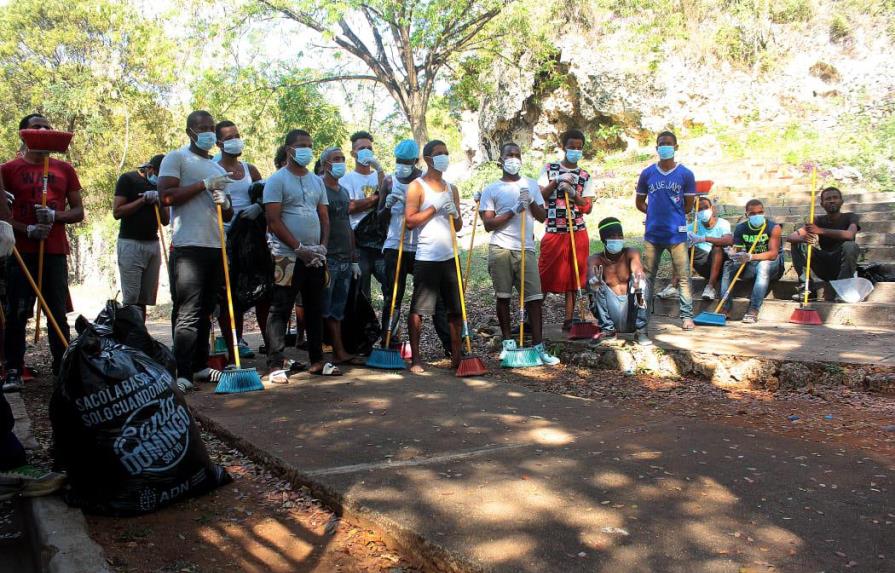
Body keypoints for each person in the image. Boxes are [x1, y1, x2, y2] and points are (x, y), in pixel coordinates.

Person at [0, 114, 85, 392]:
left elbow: (78, 211)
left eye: (48, 127)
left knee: (57, 312)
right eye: (37, 127)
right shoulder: (7, 170)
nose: (44, 131)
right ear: (24, 133)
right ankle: (12, 370)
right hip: (21, 252)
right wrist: (28, 229)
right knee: (17, 312)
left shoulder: (64, 169)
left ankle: (64, 368)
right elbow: (3, 216)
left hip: (54, 251)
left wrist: (54, 215)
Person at [157, 110, 235, 392]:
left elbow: (227, 215)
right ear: (190, 131)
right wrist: (202, 185)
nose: (208, 132)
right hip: (189, 246)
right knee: (188, 310)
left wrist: (224, 202)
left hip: (215, 245)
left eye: (211, 128)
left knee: (206, 309)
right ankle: (183, 370)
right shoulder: (176, 158)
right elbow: (166, 196)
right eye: (202, 128)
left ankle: (201, 365)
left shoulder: (216, 167)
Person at [263, 129, 336, 378]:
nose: (306, 149)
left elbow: (324, 216)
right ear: (289, 149)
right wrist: (298, 248)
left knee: (315, 307)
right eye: (301, 145)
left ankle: (317, 360)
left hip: (315, 256)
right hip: (287, 256)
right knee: (281, 307)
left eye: (309, 145)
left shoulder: (317, 181)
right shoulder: (277, 180)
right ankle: (275, 363)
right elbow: (273, 220)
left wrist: (322, 246)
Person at [480, 142, 559, 365]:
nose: (514, 159)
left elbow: (543, 217)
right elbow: (488, 224)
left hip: (526, 248)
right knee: (503, 297)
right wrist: (513, 210)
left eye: (517, 155)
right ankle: (508, 345)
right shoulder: (491, 189)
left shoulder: (531, 185)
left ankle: (538, 347)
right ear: (501, 160)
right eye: (509, 155)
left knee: (534, 298)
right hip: (501, 248)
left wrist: (531, 201)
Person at [377, 139, 453, 357]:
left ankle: (449, 344)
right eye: (398, 161)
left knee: (435, 298)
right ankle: (388, 342)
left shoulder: (424, 181)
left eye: (406, 161)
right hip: (395, 245)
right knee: (393, 296)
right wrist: (388, 206)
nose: (402, 164)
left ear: (415, 161)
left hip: (422, 247)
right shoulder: (390, 181)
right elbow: (379, 217)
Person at [405, 140, 463, 374]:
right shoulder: (417, 186)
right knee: (420, 308)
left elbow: (457, 226)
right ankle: (416, 358)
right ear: (428, 159)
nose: (444, 157)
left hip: (450, 255)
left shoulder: (452, 188)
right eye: (439, 154)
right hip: (427, 255)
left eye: (447, 153)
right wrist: (434, 208)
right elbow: (410, 222)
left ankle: (457, 355)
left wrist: (454, 213)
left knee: (455, 309)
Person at [214, 120, 266, 358]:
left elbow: (266, 198)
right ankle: (235, 342)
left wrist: (257, 206)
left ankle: (271, 344)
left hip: (250, 239)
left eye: (237, 135)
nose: (236, 140)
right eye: (229, 137)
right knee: (229, 294)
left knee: (261, 290)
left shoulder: (250, 170)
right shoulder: (212, 169)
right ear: (218, 143)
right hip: (223, 237)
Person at [636, 131, 697, 330]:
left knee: (684, 276)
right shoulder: (647, 173)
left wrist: (673, 215)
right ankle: (643, 317)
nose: (665, 147)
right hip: (653, 234)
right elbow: (639, 202)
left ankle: (687, 316)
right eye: (661, 144)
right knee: (647, 277)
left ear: (676, 147)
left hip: (677, 234)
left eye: (669, 143)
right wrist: (653, 213)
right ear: (656, 148)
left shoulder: (685, 174)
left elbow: (688, 205)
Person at [537, 129, 595, 329]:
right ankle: (531, 317)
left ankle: (569, 319)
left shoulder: (585, 176)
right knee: (543, 273)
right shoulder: (549, 169)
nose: (575, 151)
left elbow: (588, 207)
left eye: (579, 148)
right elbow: (541, 196)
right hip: (554, 230)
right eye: (571, 147)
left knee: (574, 274)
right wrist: (556, 182)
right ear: (564, 147)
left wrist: (572, 192)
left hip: (576, 231)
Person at [317, 147, 359, 367]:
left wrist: (353, 257)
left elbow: (347, 224)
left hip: (344, 257)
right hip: (328, 257)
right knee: (324, 306)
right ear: (325, 164)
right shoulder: (319, 187)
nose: (341, 162)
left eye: (343, 158)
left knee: (338, 307)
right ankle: (329, 351)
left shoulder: (342, 191)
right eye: (336, 159)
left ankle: (338, 350)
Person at [113, 154, 168, 318]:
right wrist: (142, 200)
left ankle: (140, 336)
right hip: (130, 243)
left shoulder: (163, 185)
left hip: (153, 243)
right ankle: (129, 338)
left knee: (144, 299)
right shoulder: (128, 179)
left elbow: (166, 220)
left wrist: (159, 202)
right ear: (150, 168)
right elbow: (117, 212)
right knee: (131, 299)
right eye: (159, 174)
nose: (160, 178)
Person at [787, 186, 861, 301]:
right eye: (828, 199)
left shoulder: (850, 217)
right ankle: (807, 289)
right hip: (823, 265)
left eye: (835, 197)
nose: (832, 200)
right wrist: (804, 238)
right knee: (798, 243)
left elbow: (850, 235)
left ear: (841, 201)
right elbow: (791, 237)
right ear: (822, 204)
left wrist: (821, 231)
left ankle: (844, 290)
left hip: (841, 265)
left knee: (850, 245)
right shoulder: (818, 220)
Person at [586, 217, 651, 345]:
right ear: (603, 240)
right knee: (594, 285)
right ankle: (608, 331)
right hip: (609, 314)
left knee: (643, 283)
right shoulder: (595, 259)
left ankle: (641, 331)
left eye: (619, 236)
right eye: (612, 236)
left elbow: (637, 269)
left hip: (632, 312)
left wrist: (639, 278)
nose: (617, 239)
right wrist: (594, 283)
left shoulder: (631, 253)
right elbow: (591, 275)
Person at [720, 199, 784, 323]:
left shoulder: (773, 227)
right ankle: (724, 308)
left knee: (763, 265)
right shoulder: (741, 228)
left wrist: (750, 257)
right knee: (728, 265)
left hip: (772, 266)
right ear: (746, 215)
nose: (757, 216)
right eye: (753, 214)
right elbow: (738, 249)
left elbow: (773, 254)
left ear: (764, 212)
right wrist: (734, 254)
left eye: (760, 212)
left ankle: (753, 309)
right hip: (750, 265)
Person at [340, 131, 386, 301]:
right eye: (362, 148)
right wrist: (375, 198)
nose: (366, 151)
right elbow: (349, 207)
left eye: (369, 148)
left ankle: (387, 327)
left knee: (390, 285)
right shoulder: (346, 180)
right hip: (358, 243)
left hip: (381, 241)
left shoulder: (380, 176)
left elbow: (386, 198)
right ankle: (364, 327)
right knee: (361, 290)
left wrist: (380, 169)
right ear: (353, 153)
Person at [661, 196, 732, 300]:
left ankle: (710, 287)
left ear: (712, 208)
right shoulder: (693, 226)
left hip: (720, 264)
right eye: (699, 209)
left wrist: (703, 238)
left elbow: (728, 240)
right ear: (695, 212)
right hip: (702, 265)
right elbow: (676, 231)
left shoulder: (723, 223)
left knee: (717, 247)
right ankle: (673, 286)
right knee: (679, 247)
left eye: (705, 208)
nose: (703, 211)